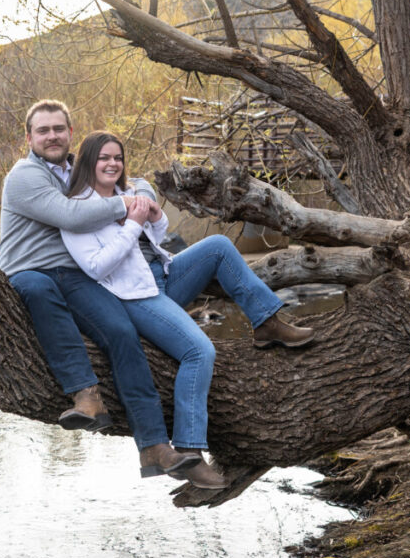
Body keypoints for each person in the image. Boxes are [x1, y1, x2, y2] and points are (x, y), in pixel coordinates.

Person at [60, 131, 314, 489]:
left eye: (117, 157)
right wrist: (132, 224)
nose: (112, 164)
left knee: (218, 247)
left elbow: (158, 232)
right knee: (199, 351)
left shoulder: (125, 192)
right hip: (133, 297)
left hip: (161, 276)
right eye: (104, 158)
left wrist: (154, 214)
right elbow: (98, 267)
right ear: (88, 162)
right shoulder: (78, 210)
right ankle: (189, 450)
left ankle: (266, 322)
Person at [0, 100, 200, 481]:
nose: (52, 136)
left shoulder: (81, 168)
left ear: (71, 133)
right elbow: (70, 215)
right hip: (29, 270)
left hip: (78, 275)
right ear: (29, 137)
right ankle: (85, 394)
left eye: (59, 129)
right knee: (40, 290)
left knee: (123, 333)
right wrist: (126, 205)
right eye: (43, 130)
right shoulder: (24, 175)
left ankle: (155, 447)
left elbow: (128, 178)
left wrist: (140, 195)